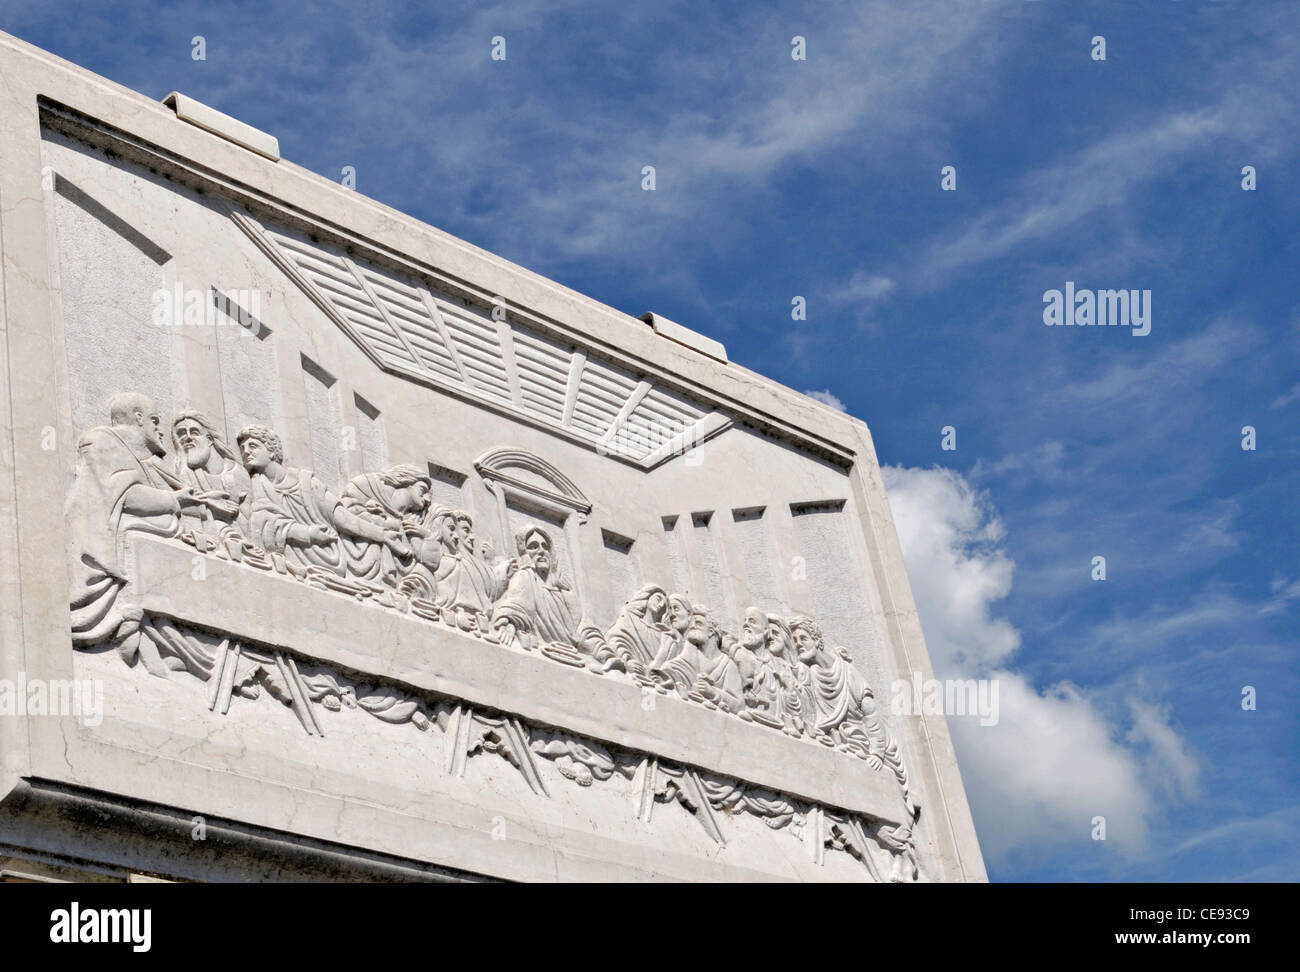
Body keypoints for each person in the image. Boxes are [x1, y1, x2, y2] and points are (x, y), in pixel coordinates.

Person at [67, 392, 203, 660]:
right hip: (96, 551)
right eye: (155, 421)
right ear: (139, 418)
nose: (159, 429)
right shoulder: (102, 440)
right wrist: (175, 501)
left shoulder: (141, 457)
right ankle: (132, 622)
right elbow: (122, 494)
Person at [237, 424, 406, 578]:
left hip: (329, 551)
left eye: (253, 446)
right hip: (292, 552)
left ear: (272, 450)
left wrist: (381, 534)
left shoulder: (306, 484)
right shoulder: (255, 486)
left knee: (373, 552)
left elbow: (340, 517)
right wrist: (308, 533)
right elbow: (260, 525)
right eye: (243, 448)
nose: (246, 451)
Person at [490, 526, 579, 650]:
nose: (541, 551)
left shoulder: (565, 592)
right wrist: (510, 623)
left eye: (545, 546)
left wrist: (604, 653)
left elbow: (585, 629)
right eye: (533, 546)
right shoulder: (524, 577)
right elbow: (516, 605)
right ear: (524, 552)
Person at [170, 408, 247, 538]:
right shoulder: (187, 474)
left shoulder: (237, 473)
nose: (188, 438)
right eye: (181, 433)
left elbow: (246, 523)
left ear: (210, 439)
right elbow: (189, 513)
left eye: (194, 432)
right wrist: (209, 502)